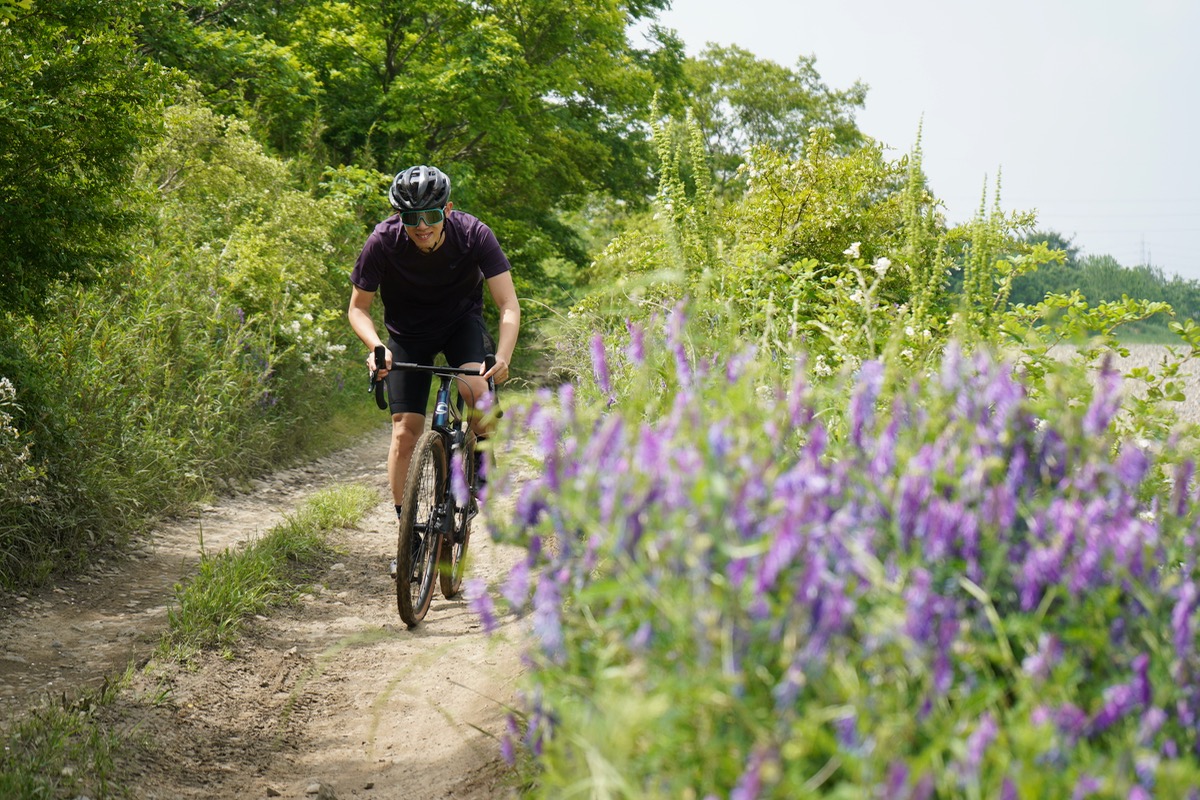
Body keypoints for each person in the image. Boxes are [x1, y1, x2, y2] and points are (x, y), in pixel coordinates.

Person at [347, 165, 520, 568]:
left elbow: (508, 305)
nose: (421, 226)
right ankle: (409, 535)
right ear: (398, 217)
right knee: (405, 431)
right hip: (408, 333)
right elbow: (358, 309)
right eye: (410, 218)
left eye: (431, 216)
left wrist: (505, 355)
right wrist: (376, 348)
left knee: (476, 394)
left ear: (448, 210)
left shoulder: (475, 234)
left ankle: (478, 459)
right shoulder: (383, 241)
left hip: (462, 325)